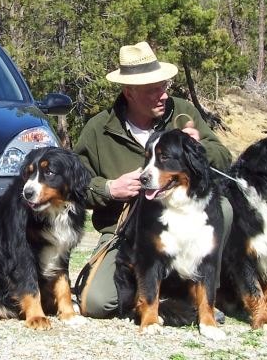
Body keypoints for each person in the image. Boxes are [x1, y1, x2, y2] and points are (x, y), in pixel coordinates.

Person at [73, 41, 233, 319]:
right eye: (152, 90)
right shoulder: (98, 129)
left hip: (187, 222)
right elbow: (76, 184)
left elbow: (223, 157)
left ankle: (205, 296)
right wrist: (109, 188)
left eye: (164, 86)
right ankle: (160, 300)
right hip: (127, 232)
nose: (162, 95)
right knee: (97, 303)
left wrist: (198, 149)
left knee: (224, 208)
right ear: (129, 92)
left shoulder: (184, 111)